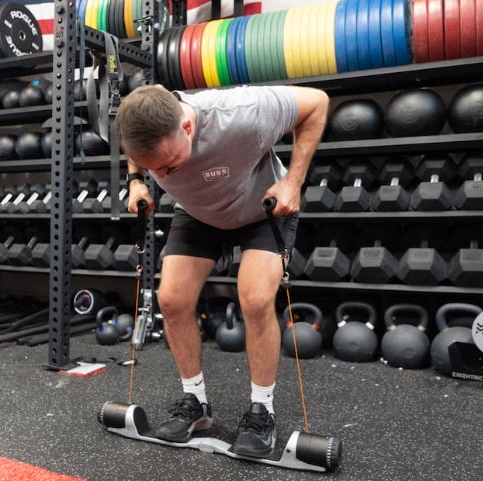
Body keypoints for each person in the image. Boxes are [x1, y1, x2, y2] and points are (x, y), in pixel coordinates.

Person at [114, 84, 328, 458]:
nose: (160, 174)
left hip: (261, 209)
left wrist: (293, 181)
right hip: (197, 213)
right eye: (153, 169)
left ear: (186, 126)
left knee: (257, 299)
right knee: (172, 299)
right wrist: (136, 181)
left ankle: (262, 411)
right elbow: (135, 148)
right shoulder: (142, 125)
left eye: (166, 165)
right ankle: (196, 405)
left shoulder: (242, 112)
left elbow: (317, 103)